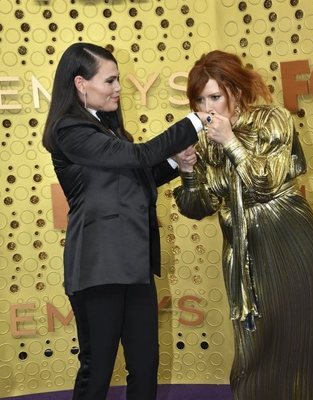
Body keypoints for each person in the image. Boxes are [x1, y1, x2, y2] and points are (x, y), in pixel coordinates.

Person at [42, 42, 210, 400]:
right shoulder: (69, 130)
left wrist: (177, 165)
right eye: (110, 80)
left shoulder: (110, 131)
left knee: (145, 365)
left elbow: (139, 177)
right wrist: (199, 118)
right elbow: (141, 155)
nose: (119, 88)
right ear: (80, 84)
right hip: (97, 267)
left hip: (134, 264)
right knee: (98, 367)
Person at [173, 50, 313, 399]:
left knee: (302, 333)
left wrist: (231, 142)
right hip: (242, 246)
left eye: (215, 96)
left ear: (236, 90)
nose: (209, 108)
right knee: (255, 339)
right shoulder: (204, 139)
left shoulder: (272, 119)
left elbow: (265, 182)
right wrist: (188, 172)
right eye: (200, 100)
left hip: (288, 236)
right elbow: (198, 206)